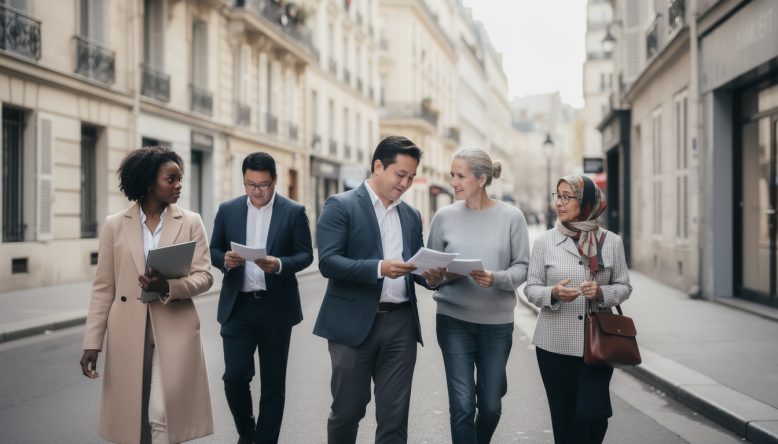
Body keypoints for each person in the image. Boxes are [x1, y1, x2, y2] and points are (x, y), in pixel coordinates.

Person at [80, 146, 214, 444]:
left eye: (181, 178)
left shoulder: (191, 221)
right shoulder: (115, 224)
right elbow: (103, 288)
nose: (179, 185)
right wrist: (93, 341)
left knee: (161, 416)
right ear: (149, 181)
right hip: (128, 333)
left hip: (175, 330)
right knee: (134, 424)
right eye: (171, 179)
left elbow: (205, 276)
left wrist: (168, 287)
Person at [313, 135, 437, 444]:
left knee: (394, 420)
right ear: (378, 166)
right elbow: (328, 263)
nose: (406, 183)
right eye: (401, 174)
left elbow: (415, 265)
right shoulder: (340, 205)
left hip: (401, 326)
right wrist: (378, 268)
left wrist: (432, 277)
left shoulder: (410, 215)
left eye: (411, 176)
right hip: (352, 326)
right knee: (347, 412)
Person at [424, 148, 530, 444]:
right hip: (453, 320)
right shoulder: (443, 217)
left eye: (460, 176)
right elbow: (430, 270)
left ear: (481, 179)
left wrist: (496, 278)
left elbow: (523, 267)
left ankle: (490, 388)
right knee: (462, 406)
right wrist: (437, 277)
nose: (453, 182)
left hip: (497, 324)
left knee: (492, 406)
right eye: (452, 175)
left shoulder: (512, 217)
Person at [210, 152, 313, 444]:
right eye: (250, 184)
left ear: (275, 181)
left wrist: (279, 264)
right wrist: (226, 260)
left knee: (273, 385)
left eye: (264, 185)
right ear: (244, 181)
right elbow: (214, 249)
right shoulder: (228, 210)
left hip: (275, 307)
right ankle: (247, 431)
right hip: (238, 306)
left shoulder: (293, 211)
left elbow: (306, 254)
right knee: (235, 377)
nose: (257, 191)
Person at [523, 175, 632, 444]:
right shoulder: (544, 242)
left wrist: (602, 293)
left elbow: (624, 286)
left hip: (597, 344)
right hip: (554, 344)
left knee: (591, 413)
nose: (559, 203)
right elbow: (530, 288)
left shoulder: (611, 242)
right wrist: (553, 293)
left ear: (586, 202)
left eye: (567, 197)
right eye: (557, 196)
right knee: (563, 417)